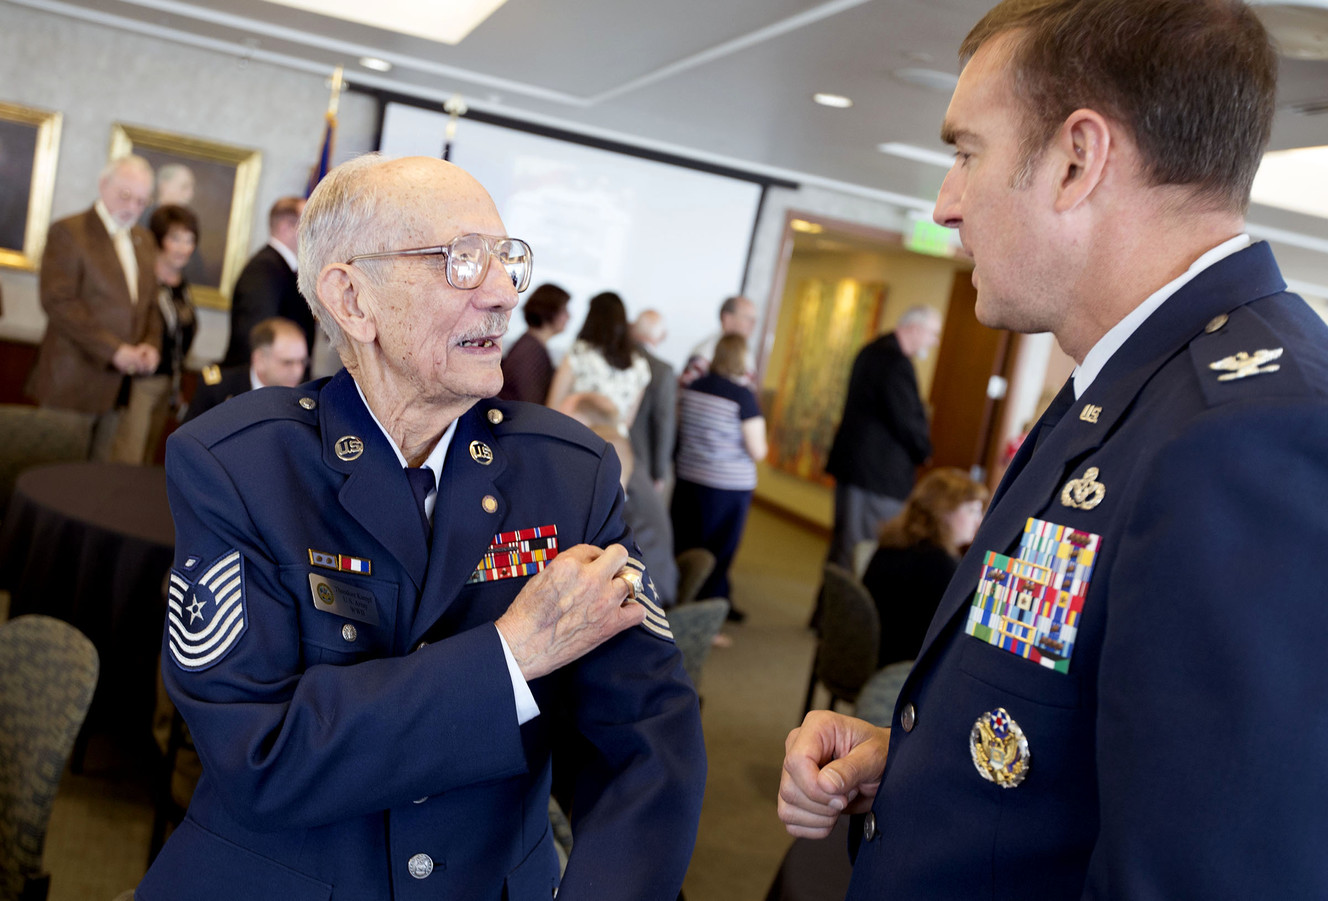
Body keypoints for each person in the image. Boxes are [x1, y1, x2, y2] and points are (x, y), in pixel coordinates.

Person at [778, 1, 1328, 897]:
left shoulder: (1250, 432)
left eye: (966, 153)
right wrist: (924, 761)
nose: (945, 204)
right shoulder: (1122, 390)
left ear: (1077, 159)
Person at [138, 153, 704, 900]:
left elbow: (648, 739)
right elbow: (262, 754)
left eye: (507, 260)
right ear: (352, 297)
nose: (504, 292)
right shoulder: (238, 465)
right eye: (462, 261)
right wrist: (510, 655)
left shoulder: (569, 474)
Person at [27, 154, 160, 461]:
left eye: (141, 201)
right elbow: (58, 303)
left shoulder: (144, 239)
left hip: (120, 390)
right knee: (55, 479)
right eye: (125, 196)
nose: (132, 208)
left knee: (96, 487)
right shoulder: (69, 232)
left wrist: (149, 345)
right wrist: (114, 350)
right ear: (103, 185)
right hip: (70, 384)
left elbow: (151, 304)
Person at [823, 305, 941, 572]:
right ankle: (843, 614)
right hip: (875, 477)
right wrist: (924, 451)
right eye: (933, 334)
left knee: (844, 551)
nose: (934, 342)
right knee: (858, 555)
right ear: (914, 328)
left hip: (860, 471)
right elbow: (906, 419)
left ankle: (829, 613)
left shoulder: (873, 351)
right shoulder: (894, 362)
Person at [672, 334, 767, 619]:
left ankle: (676, 606)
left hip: (689, 479)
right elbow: (758, 450)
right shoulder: (742, 396)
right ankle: (704, 618)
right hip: (728, 488)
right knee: (718, 553)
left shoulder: (692, 388)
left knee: (686, 546)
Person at [560, 391, 680, 607]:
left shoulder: (607, 469)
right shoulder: (625, 457)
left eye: (565, 422)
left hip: (646, 600)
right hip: (656, 585)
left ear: (588, 424)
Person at [861, 468, 986, 668]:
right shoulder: (938, 563)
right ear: (944, 511)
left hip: (869, 652)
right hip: (901, 666)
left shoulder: (896, 541)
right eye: (972, 510)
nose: (979, 520)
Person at [117, 204, 199, 462]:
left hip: (168, 384)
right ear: (159, 239)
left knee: (148, 459)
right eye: (175, 238)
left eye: (189, 240)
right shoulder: (142, 280)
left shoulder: (182, 286)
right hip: (138, 383)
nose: (183, 248)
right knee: (126, 459)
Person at [222, 196, 314, 366]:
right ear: (286, 227)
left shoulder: (280, 267)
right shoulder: (264, 269)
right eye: (310, 223)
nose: (316, 232)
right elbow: (259, 338)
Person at [545, 291, 651, 426]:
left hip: (577, 436)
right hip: (613, 442)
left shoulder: (579, 352)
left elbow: (553, 406)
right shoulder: (640, 366)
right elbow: (627, 422)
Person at [182, 316, 310, 423]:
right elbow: (186, 443)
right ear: (259, 359)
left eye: (303, 362)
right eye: (287, 363)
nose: (298, 371)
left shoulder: (307, 396)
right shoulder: (218, 389)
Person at [628, 308, 677, 492]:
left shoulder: (616, 356)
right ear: (661, 336)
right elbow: (663, 424)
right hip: (641, 462)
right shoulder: (662, 371)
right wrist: (659, 473)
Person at [497, 282, 570, 403]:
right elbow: (530, 402)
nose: (569, 316)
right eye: (564, 310)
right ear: (550, 310)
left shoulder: (531, 345)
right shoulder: (531, 351)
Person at [681, 294, 758, 386]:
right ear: (727, 318)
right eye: (747, 318)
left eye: (754, 320)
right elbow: (687, 390)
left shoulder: (747, 354)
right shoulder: (703, 353)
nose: (753, 325)